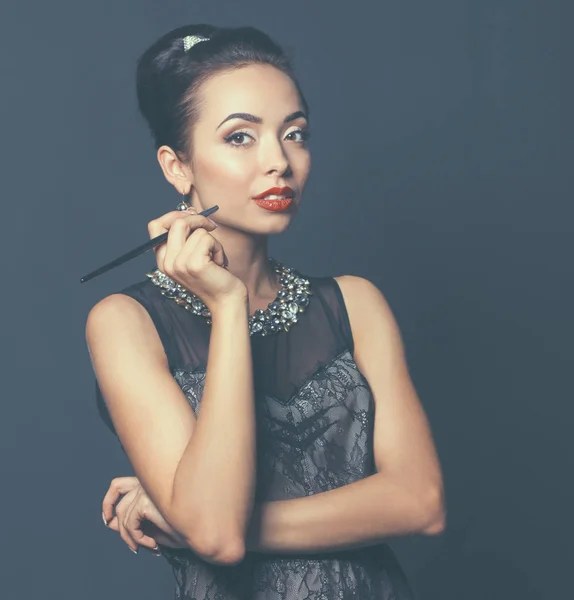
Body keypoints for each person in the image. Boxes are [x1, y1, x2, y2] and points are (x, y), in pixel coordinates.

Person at [85, 23, 446, 600]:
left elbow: (420, 503)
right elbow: (218, 538)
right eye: (240, 137)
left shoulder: (355, 303)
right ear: (178, 167)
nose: (279, 160)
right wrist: (227, 305)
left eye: (295, 133)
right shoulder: (125, 322)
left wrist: (182, 519)